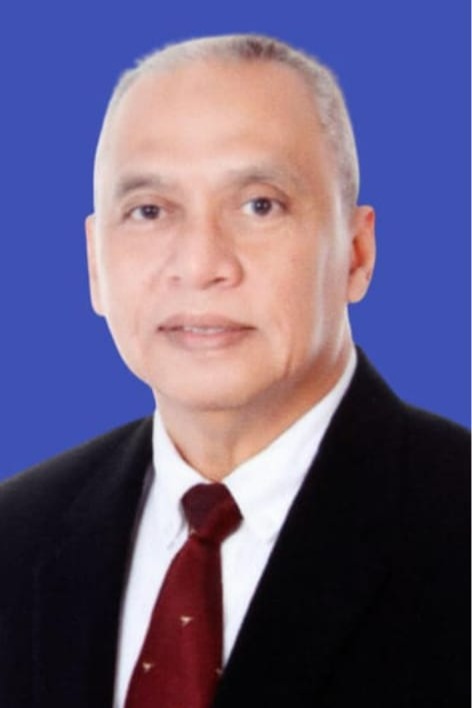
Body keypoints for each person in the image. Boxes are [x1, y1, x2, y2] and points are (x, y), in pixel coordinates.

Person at [0, 34, 469, 708]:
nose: (200, 264)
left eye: (259, 205)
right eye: (149, 211)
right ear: (96, 264)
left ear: (356, 252)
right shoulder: (16, 537)